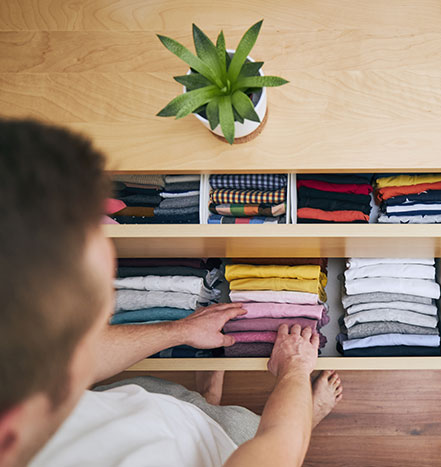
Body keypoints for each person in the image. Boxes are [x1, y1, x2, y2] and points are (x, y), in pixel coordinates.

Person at [0, 119, 343, 467]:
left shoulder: (20, 390)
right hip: (222, 448)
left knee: (181, 400)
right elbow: (279, 451)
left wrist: (180, 329)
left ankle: (206, 396)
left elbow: (69, 360)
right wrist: (295, 370)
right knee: (260, 431)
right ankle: (306, 415)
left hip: (146, 406)